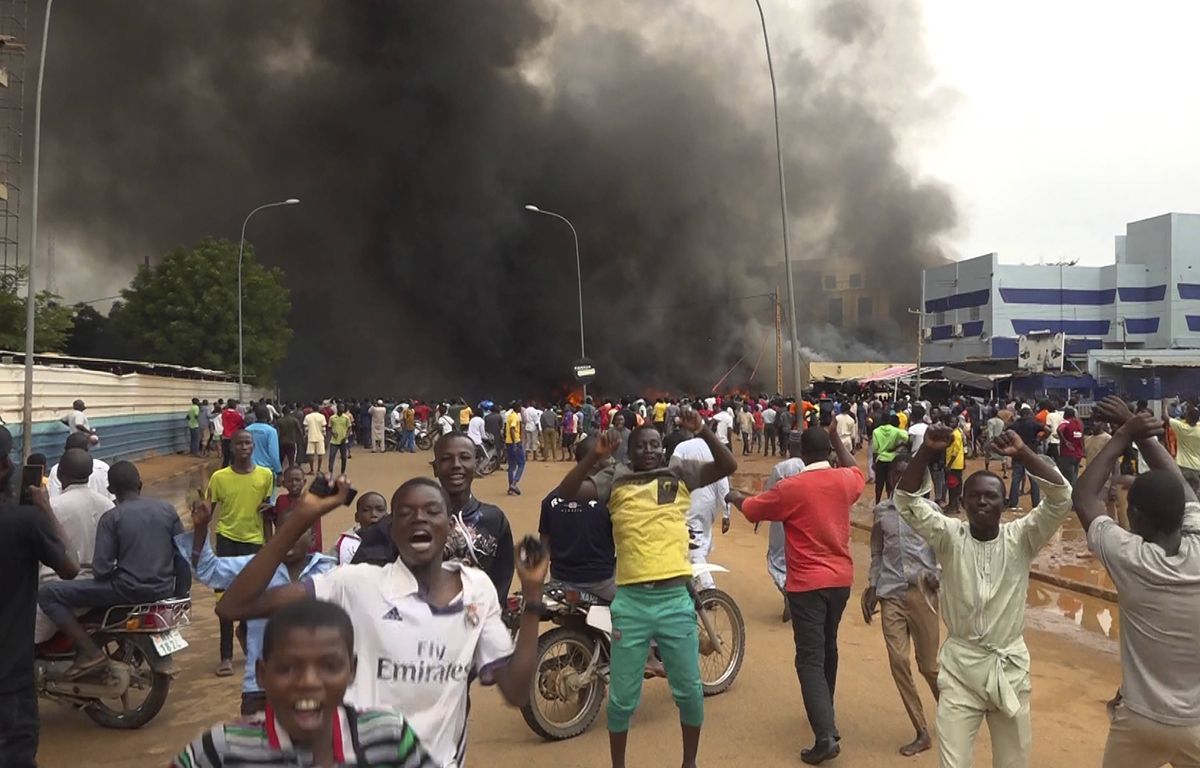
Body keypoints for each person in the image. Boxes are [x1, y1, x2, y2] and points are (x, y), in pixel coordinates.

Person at [214, 476, 546, 768]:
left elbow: (516, 692)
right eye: (404, 513)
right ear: (391, 529)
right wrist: (302, 516)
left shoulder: (478, 589)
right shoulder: (355, 584)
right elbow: (233, 606)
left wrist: (532, 596)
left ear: (449, 525)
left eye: (432, 511)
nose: (419, 518)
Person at [556, 409, 737, 768]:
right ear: (629, 451)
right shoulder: (614, 478)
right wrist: (595, 455)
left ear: (664, 449)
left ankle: (689, 762)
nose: (650, 450)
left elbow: (727, 464)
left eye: (656, 444)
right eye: (642, 446)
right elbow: (568, 491)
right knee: (622, 700)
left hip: (674, 601)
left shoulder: (680, 474)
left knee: (689, 693)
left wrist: (702, 430)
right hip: (632, 604)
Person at [895, 424, 1071, 767]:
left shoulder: (1022, 537)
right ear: (962, 503)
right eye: (974, 496)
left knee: (1013, 761)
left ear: (1004, 504)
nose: (982, 501)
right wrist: (927, 451)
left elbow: (1061, 497)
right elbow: (905, 501)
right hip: (961, 669)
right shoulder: (949, 536)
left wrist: (1023, 453)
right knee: (953, 762)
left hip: (1009, 668)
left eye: (991, 496)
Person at [1073, 397, 1200, 767]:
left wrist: (1126, 432)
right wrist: (1140, 434)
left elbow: (1083, 496)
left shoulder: (1129, 559)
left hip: (1139, 720)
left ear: (1137, 517)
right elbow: (1182, 491)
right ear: (1183, 516)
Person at [727, 424, 863, 764]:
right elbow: (857, 470)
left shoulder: (792, 487)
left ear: (800, 453)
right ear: (829, 451)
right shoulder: (845, 479)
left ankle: (824, 736)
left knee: (809, 658)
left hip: (806, 584)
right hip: (840, 581)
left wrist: (732, 496)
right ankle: (826, 719)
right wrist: (837, 441)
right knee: (828, 646)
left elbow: (754, 509)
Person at [171, 600, 437, 767]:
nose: (308, 682)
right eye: (287, 668)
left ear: (352, 671)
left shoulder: (387, 736)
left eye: (329, 667)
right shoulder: (223, 749)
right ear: (262, 675)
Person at [183, 488, 337, 715]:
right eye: (283, 531)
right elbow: (208, 570)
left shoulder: (331, 571)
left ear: (313, 538)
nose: (290, 538)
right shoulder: (256, 569)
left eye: (298, 531)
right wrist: (200, 529)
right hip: (260, 687)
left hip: (316, 683)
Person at [38, 461, 183, 678]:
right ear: (140, 484)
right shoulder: (167, 510)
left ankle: (90, 651)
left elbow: (102, 569)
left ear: (111, 489)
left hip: (126, 590)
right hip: (163, 592)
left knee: (47, 594)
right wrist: (180, 593)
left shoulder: (112, 517)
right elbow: (182, 556)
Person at [353, 433, 515, 601]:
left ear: (476, 465)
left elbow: (501, 581)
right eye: (446, 459)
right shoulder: (398, 523)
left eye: (465, 458)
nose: (456, 465)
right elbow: (361, 584)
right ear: (435, 468)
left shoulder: (494, 520)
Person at [0, 426, 79, 766]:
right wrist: (45, 508)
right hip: (9, 681)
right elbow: (71, 566)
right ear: (7, 466)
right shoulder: (25, 521)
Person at [862, 456, 941, 757]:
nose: (900, 479)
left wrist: (938, 578)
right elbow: (877, 551)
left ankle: (953, 715)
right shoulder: (882, 512)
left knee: (929, 666)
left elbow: (946, 552)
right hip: (891, 593)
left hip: (923, 595)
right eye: (895, 474)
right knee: (898, 661)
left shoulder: (931, 513)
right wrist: (872, 586)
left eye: (907, 474)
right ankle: (921, 729)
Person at [207, 429, 275, 677]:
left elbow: (268, 511)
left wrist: (270, 545)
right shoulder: (219, 478)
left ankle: (249, 641)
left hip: (255, 542)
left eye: (248, 443)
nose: (244, 447)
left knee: (253, 598)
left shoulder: (266, 476)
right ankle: (225, 656)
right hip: (227, 540)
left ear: (253, 447)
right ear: (231, 448)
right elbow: (208, 511)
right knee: (224, 598)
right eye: (239, 443)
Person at [33, 450, 113, 643]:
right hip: (96, 587)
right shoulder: (109, 506)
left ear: (60, 473)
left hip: (57, 588)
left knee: (20, 635)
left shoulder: (52, 507)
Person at [539, 436, 617, 601]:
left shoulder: (550, 500)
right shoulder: (609, 501)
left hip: (560, 580)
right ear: (594, 462)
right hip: (602, 583)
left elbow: (544, 543)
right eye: (608, 457)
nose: (612, 461)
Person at [671, 433, 731, 590]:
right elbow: (724, 482)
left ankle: (707, 587)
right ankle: (695, 579)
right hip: (710, 504)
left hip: (690, 499)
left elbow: (672, 472)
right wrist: (726, 513)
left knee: (694, 543)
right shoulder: (716, 449)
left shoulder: (682, 447)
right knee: (702, 538)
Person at [762, 432, 805, 623]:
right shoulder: (810, 468)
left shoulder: (781, 468)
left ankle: (787, 590)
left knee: (777, 558)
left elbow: (769, 494)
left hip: (782, 519)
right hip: (805, 520)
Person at [263, 466, 324, 553]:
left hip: (308, 550)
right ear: (284, 484)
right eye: (289, 481)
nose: (294, 483)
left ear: (304, 482)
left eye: (298, 480)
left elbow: (315, 530)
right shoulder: (281, 500)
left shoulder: (311, 501)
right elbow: (279, 522)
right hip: (285, 549)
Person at [48, 432, 112, 500]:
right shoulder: (103, 467)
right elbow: (111, 498)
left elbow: (54, 500)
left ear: (65, 450)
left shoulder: (57, 469)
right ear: (87, 449)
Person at [1006, 406, 1047, 509]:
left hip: (1018, 453)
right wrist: (1039, 440)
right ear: (1029, 414)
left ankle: (1013, 502)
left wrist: (1011, 443)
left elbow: (1006, 431)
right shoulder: (1034, 424)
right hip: (1031, 453)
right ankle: (1036, 503)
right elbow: (1048, 429)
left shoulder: (1015, 424)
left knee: (1016, 479)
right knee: (1034, 479)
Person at [335, 491, 388, 565]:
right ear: (357, 517)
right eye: (366, 510)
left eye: (380, 510)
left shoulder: (395, 540)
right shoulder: (344, 542)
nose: (373, 515)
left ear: (387, 516)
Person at [872, 414, 908, 505]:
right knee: (890, 482)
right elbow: (907, 438)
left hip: (880, 459)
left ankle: (877, 502)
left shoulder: (876, 431)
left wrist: (874, 462)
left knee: (879, 484)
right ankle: (890, 502)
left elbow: (875, 449)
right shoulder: (896, 431)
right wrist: (897, 446)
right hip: (892, 460)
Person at [1168, 400, 1200, 496]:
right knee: (1195, 492)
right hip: (1197, 467)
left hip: (1182, 465)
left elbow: (1166, 417)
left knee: (1182, 491)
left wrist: (1165, 404)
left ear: (1187, 417)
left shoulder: (1181, 428)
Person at [246, 403, 283, 478]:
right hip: (266, 469)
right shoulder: (271, 431)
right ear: (268, 415)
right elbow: (273, 453)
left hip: (249, 467)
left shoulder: (247, 429)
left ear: (256, 415)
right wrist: (278, 470)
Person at [1054, 406, 1085, 484]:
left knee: (1068, 478)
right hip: (1078, 453)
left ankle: (1070, 494)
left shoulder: (1065, 422)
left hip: (1067, 453)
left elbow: (1059, 429)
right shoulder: (1080, 423)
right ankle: (1075, 492)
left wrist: (1065, 441)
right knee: (1075, 475)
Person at [944, 414, 966, 513]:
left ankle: (953, 506)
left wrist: (949, 465)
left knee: (953, 486)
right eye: (949, 421)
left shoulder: (955, 434)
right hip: (957, 463)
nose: (951, 424)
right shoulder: (956, 432)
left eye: (953, 422)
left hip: (954, 464)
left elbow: (955, 451)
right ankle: (953, 505)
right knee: (954, 485)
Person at [505, 400, 526, 496]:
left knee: (511, 466)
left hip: (508, 442)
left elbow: (506, 429)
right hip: (515, 442)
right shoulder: (515, 416)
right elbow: (512, 429)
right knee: (521, 463)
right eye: (520, 407)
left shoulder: (509, 415)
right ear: (517, 408)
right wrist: (515, 443)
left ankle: (510, 488)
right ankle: (514, 483)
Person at [327, 403, 352, 476]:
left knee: (344, 458)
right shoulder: (332, 418)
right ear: (337, 408)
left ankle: (342, 473)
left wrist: (346, 436)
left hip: (343, 441)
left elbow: (349, 427)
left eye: (343, 407)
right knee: (331, 457)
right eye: (341, 407)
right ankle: (330, 472)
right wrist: (333, 433)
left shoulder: (346, 417)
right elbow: (329, 427)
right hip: (334, 441)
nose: (342, 409)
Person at [303, 405, 327, 476]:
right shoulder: (322, 416)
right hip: (320, 437)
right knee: (320, 454)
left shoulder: (308, 417)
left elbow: (306, 428)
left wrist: (306, 435)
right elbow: (323, 428)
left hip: (311, 436)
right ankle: (319, 470)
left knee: (311, 454)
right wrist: (324, 435)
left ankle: (312, 470)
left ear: (312, 409)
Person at [984, 409, 1009, 478]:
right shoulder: (1001, 421)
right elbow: (1003, 431)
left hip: (992, 440)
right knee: (1003, 457)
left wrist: (990, 441)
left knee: (987, 455)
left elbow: (990, 432)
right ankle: (1005, 472)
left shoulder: (990, 421)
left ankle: (986, 470)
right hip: (1000, 441)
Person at [222, 399, 246, 469]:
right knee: (234, 457)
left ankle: (223, 471)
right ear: (235, 406)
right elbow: (241, 426)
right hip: (234, 437)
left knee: (226, 457)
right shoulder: (237, 416)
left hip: (225, 436)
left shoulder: (224, 413)